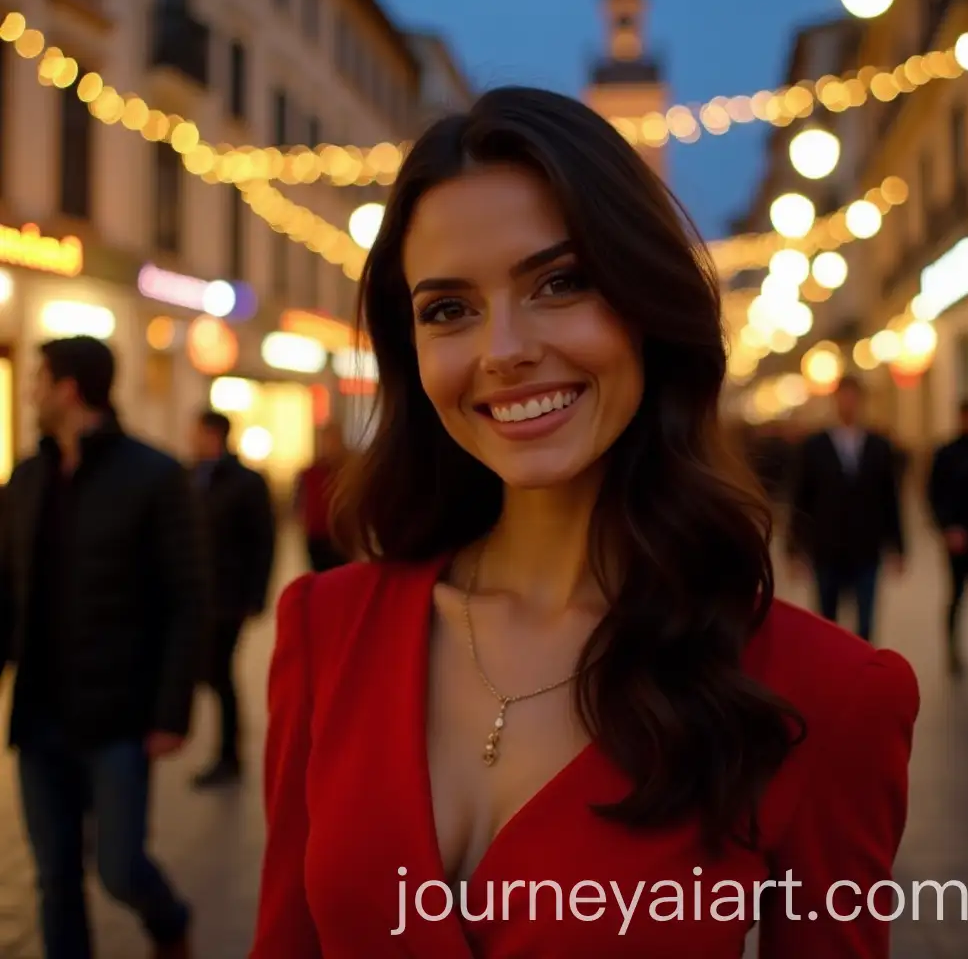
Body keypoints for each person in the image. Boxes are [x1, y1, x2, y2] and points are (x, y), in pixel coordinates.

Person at [250, 87, 918, 958]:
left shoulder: (824, 693)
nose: (504, 350)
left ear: (649, 305)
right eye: (448, 309)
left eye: (561, 283)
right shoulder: (326, 631)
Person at [0, 336, 205, 959]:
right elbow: (6, 588)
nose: (30, 393)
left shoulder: (154, 475)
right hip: (39, 715)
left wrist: (171, 713)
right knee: (55, 878)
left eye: (38, 380)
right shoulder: (28, 478)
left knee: (119, 868)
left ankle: (169, 919)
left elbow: (186, 601)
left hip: (118, 716)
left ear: (68, 390)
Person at [190, 410, 276, 787]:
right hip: (200, 596)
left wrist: (256, 594)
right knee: (212, 672)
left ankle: (229, 754)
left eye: (196, 433)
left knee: (219, 672)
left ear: (213, 435)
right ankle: (226, 752)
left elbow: (263, 541)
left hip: (229, 595)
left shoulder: (245, 483)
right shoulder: (193, 477)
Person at [787, 375, 905, 641]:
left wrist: (897, 546)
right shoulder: (815, 446)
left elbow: (890, 498)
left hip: (866, 546)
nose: (849, 403)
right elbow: (801, 498)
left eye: (854, 397)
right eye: (844, 397)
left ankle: (863, 665)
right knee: (827, 622)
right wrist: (795, 549)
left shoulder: (878, 446)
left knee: (866, 622)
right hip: (827, 546)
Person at [926, 398, 968, 674]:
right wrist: (947, 527)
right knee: (957, 594)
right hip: (959, 536)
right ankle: (953, 648)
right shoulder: (948, 453)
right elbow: (934, 494)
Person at [294, 424, 348, 572]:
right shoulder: (309, 474)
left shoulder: (346, 473)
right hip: (316, 535)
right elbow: (299, 501)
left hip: (340, 535)